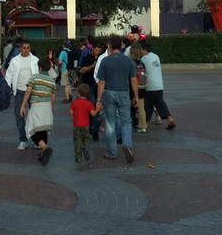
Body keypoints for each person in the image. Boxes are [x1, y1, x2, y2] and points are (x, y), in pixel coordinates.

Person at [97, 34, 138, 162]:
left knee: (110, 122)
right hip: (124, 92)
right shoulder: (128, 60)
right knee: (126, 120)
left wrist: (98, 99)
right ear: (121, 45)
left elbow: (101, 82)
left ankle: (111, 152)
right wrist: (136, 96)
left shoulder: (105, 60)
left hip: (109, 92)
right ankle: (127, 144)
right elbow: (133, 80)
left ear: (109, 45)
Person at [20, 56, 58, 164]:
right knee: (43, 129)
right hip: (47, 106)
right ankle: (43, 154)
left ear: (39, 67)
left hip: (36, 105)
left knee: (31, 129)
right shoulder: (52, 81)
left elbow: (28, 91)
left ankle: (45, 147)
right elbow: (53, 98)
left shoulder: (34, 77)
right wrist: (51, 109)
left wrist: (23, 106)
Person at [5, 39, 38, 150]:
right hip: (19, 91)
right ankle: (23, 139)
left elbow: (38, 75)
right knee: (19, 116)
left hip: (33, 91)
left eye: (28, 48)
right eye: (24, 48)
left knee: (34, 117)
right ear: (20, 48)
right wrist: (7, 87)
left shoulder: (35, 60)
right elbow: (9, 75)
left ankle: (35, 139)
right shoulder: (15, 61)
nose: (26, 50)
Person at [140, 41, 176, 131]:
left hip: (149, 85)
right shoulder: (156, 56)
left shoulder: (144, 59)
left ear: (145, 50)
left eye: (141, 50)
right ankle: (169, 118)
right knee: (160, 103)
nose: (140, 52)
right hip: (159, 84)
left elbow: (142, 71)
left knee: (147, 105)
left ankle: (145, 123)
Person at [70, 83, 98, 162]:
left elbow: (71, 112)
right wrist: (98, 109)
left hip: (76, 125)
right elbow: (93, 114)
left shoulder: (74, 102)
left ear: (79, 94)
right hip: (86, 125)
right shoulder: (89, 103)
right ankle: (85, 148)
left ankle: (78, 157)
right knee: (86, 138)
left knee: (77, 141)